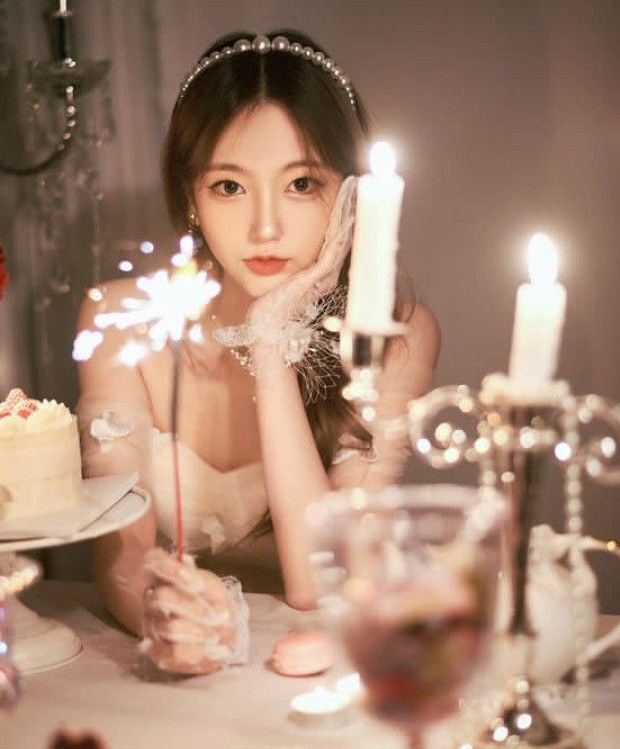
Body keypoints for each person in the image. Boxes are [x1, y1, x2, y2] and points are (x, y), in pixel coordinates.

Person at [75, 29, 440, 672]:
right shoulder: (122, 320)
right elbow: (120, 555)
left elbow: (317, 581)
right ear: (190, 196)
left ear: (352, 196)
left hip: (323, 672)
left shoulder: (395, 336)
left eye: (302, 183)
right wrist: (164, 615)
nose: (265, 227)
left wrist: (271, 349)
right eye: (229, 187)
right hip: (168, 670)